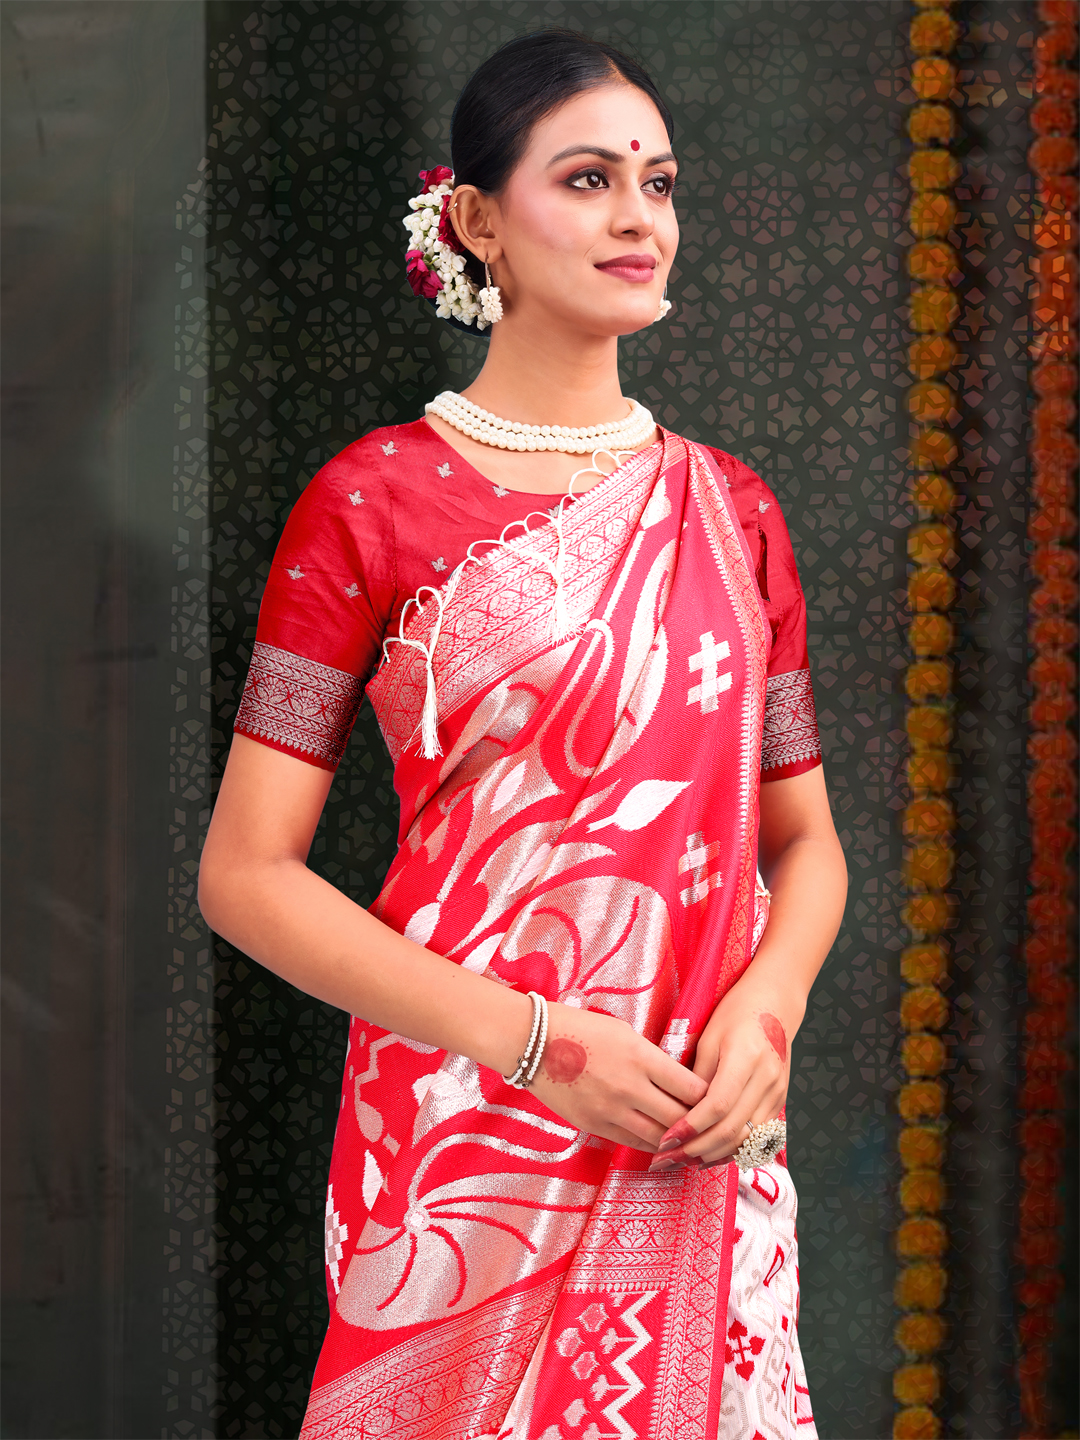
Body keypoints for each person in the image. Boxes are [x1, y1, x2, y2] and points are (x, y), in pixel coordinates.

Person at [199, 28, 848, 1440]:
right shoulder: (370, 504)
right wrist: (542, 1047)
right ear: (477, 220)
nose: (637, 217)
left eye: (658, 183)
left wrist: (771, 1010)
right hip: (461, 1134)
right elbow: (244, 875)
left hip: (692, 1122)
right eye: (588, 178)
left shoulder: (732, 511)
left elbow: (806, 845)